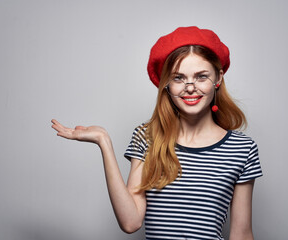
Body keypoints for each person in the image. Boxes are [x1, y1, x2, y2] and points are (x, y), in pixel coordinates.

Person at [51, 26, 263, 240]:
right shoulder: (147, 137)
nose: (190, 87)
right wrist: (103, 141)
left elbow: (242, 233)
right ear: (166, 85)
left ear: (218, 78)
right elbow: (130, 222)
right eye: (178, 78)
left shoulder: (242, 149)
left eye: (201, 76)